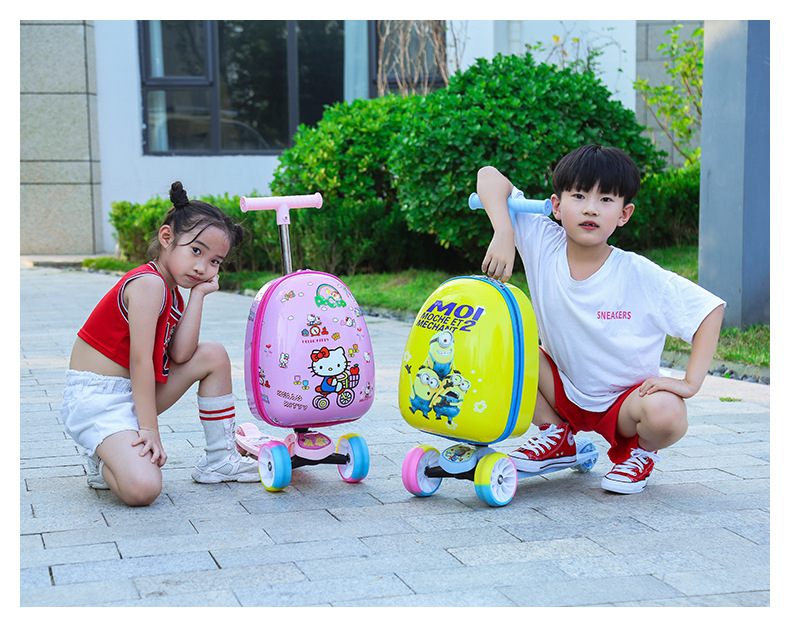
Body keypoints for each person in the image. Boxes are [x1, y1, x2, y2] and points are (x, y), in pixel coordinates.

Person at [478, 144, 725, 494]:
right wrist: (504, 231)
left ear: (624, 214)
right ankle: (556, 435)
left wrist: (690, 383)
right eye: (579, 196)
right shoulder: (542, 241)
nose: (591, 208)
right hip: (560, 387)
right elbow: (488, 176)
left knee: (668, 413)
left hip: (625, 405)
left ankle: (640, 454)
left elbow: (709, 310)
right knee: (501, 347)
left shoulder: (638, 273)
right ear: (556, 206)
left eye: (606, 199)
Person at [61, 181, 259, 506]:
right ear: (167, 238)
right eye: (196, 251)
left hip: (132, 392)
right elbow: (141, 361)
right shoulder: (149, 284)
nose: (203, 267)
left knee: (213, 354)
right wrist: (149, 430)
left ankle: (220, 460)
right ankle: (102, 459)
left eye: (215, 261)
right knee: (143, 489)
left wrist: (198, 296)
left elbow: (181, 354)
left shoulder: (174, 292)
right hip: (98, 399)